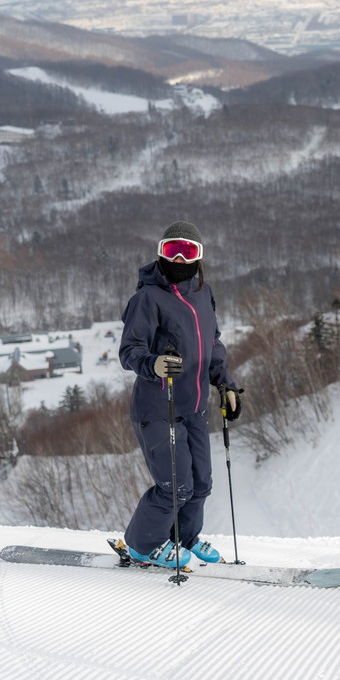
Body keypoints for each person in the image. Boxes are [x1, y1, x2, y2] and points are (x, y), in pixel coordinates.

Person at [118, 221, 241, 567]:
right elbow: (129, 350)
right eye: (172, 250)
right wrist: (153, 364)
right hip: (159, 408)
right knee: (175, 487)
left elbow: (212, 344)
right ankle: (143, 546)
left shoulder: (204, 293)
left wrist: (226, 385)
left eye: (189, 251)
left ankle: (181, 540)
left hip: (195, 406)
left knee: (201, 484)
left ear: (199, 257)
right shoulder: (147, 298)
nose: (180, 259)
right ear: (160, 253)